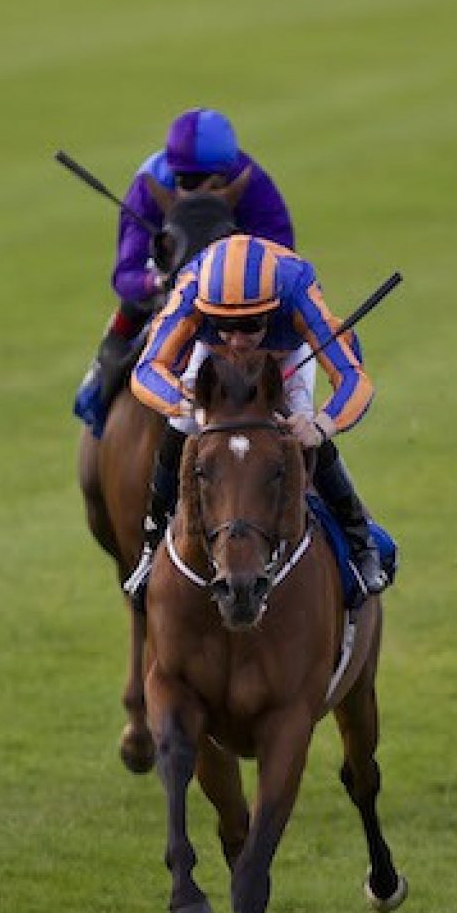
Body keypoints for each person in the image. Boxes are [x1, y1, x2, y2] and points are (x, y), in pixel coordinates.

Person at [125, 232, 387, 600]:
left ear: (274, 308)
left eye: (251, 325)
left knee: (301, 425)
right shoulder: (191, 288)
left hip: (284, 359)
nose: (237, 339)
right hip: (211, 361)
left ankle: (361, 542)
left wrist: (319, 426)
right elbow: (147, 370)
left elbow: (354, 379)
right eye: (224, 325)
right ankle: (152, 547)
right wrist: (190, 407)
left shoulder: (297, 288)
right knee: (179, 425)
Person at [76, 108, 295, 428]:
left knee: (293, 395)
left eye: (210, 183)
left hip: (236, 297)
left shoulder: (253, 185)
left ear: (226, 175)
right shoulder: (147, 187)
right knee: (129, 313)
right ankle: (98, 386)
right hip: (168, 288)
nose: (196, 192)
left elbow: (284, 260)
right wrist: (156, 282)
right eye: (184, 181)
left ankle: (320, 457)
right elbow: (125, 276)